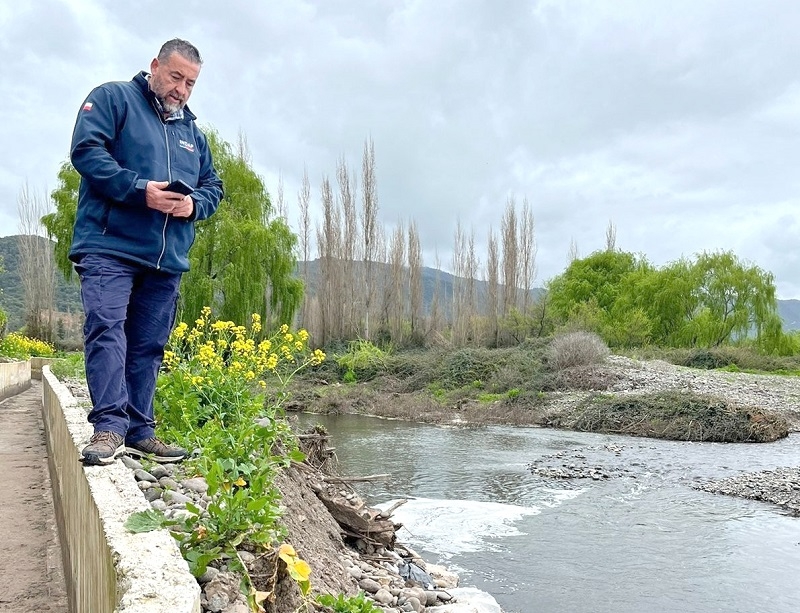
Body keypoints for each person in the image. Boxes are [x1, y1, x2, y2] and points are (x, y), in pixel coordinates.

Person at [69, 39, 223, 465]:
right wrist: (141, 191)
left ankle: (140, 429)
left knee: (148, 345)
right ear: (155, 66)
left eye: (190, 83)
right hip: (109, 246)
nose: (182, 90)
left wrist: (193, 205)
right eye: (175, 77)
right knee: (106, 329)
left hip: (165, 259)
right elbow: (86, 152)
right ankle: (107, 429)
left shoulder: (193, 135)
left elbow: (214, 188)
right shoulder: (112, 98)